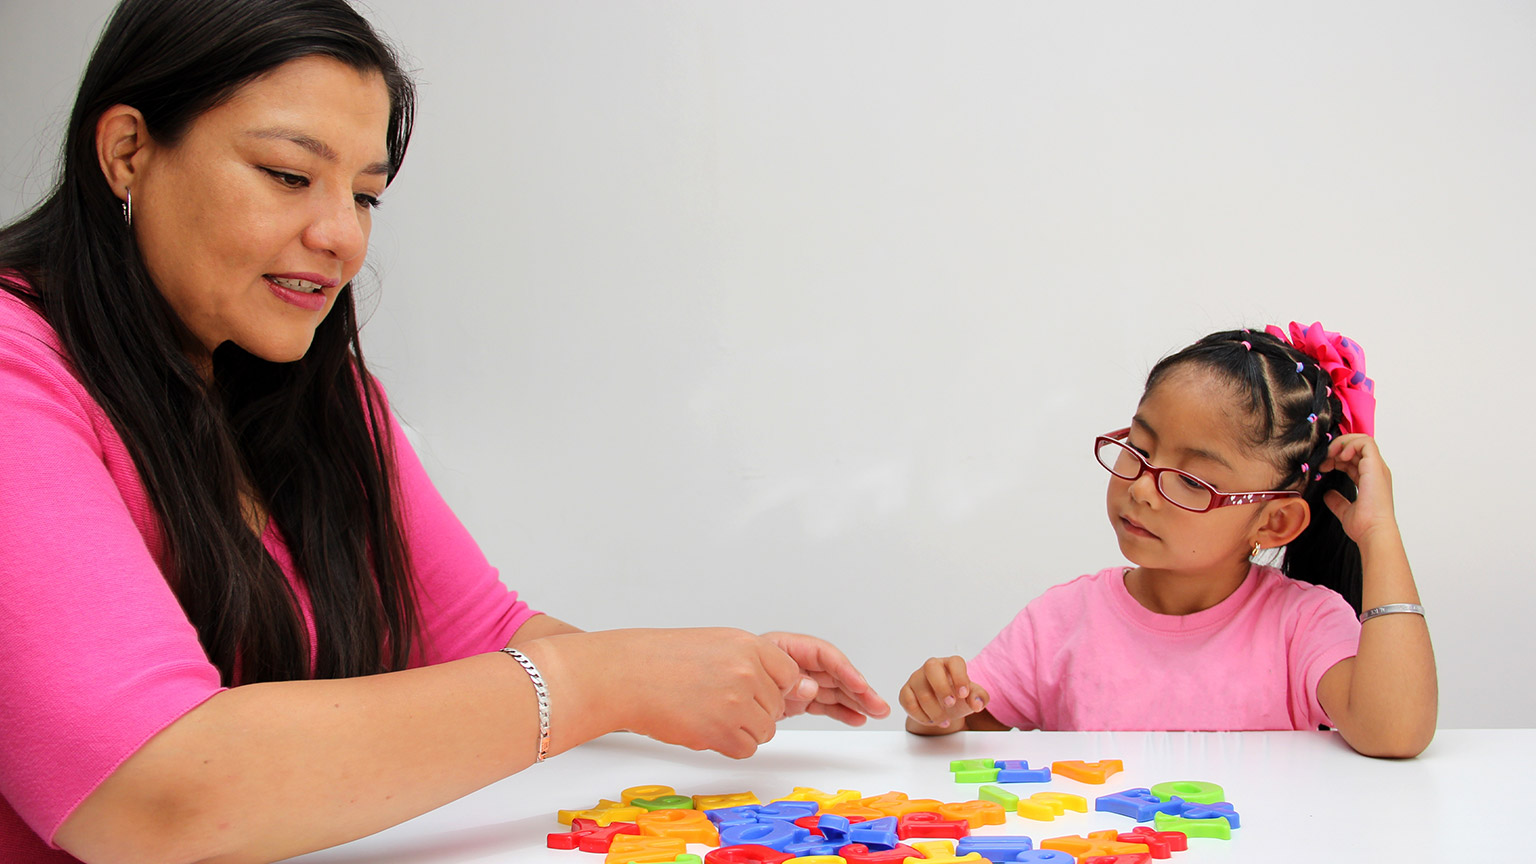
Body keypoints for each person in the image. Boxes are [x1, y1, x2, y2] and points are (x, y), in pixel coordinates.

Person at [0, 1, 889, 862]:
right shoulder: (16, 369)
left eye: (366, 195)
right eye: (287, 175)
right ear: (126, 151)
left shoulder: (320, 392)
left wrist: (688, 674)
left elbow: (485, 637)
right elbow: (150, 793)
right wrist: (601, 681)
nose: (341, 235)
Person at [899, 323, 1437, 758]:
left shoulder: (1303, 626)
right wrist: (939, 712)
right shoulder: (1061, 620)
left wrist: (1378, 533)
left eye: (1190, 481)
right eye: (1138, 448)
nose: (1142, 488)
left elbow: (1394, 734)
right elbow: (968, 729)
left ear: (1273, 524)